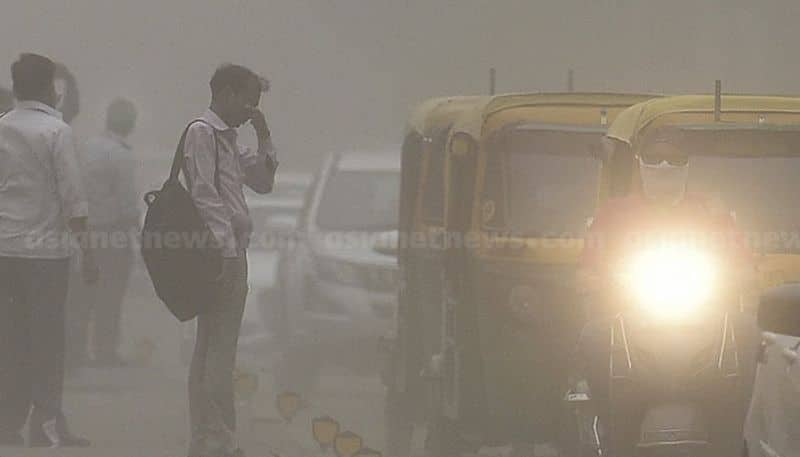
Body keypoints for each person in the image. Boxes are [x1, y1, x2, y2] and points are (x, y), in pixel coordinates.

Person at [573, 133, 755, 432]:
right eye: (655, 158)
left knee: (749, 333)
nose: (664, 165)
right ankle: (609, 427)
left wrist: (724, 277)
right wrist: (615, 279)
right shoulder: (614, 213)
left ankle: (735, 434)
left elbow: (746, 271)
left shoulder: (711, 213)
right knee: (592, 337)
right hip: (625, 321)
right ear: (640, 164)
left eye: (674, 158)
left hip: (707, 319)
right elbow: (584, 277)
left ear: (687, 165)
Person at [0, 53, 98, 447]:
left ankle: (6, 423)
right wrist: (89, 252)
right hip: (45, 258)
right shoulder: (57, 132)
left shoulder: (2, 127)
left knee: (9, 339)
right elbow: (72, 197)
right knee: (47, 343)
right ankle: (46, 425)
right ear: (48, 88)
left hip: (5, 252)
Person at [184, 64, 276, 457]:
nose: (249, 109)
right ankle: (217, 439)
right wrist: (224, 251)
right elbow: (205, 197)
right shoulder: (201, 134)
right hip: (220, 255)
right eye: (247, 101)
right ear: (225, 93)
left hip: (230, 253)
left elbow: (263, 182)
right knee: (217, 351)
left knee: (211, 350)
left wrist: (263, 132)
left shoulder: (228, 140)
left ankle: (209, 438)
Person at [66, 98, 140, 368]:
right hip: (113, 234)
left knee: (82, 296)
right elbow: (128, 205)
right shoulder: (122, 155)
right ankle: (104, 351)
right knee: (110, 297)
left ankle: (76, 352)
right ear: (130, 123)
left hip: (84, 233)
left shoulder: (88, 147)